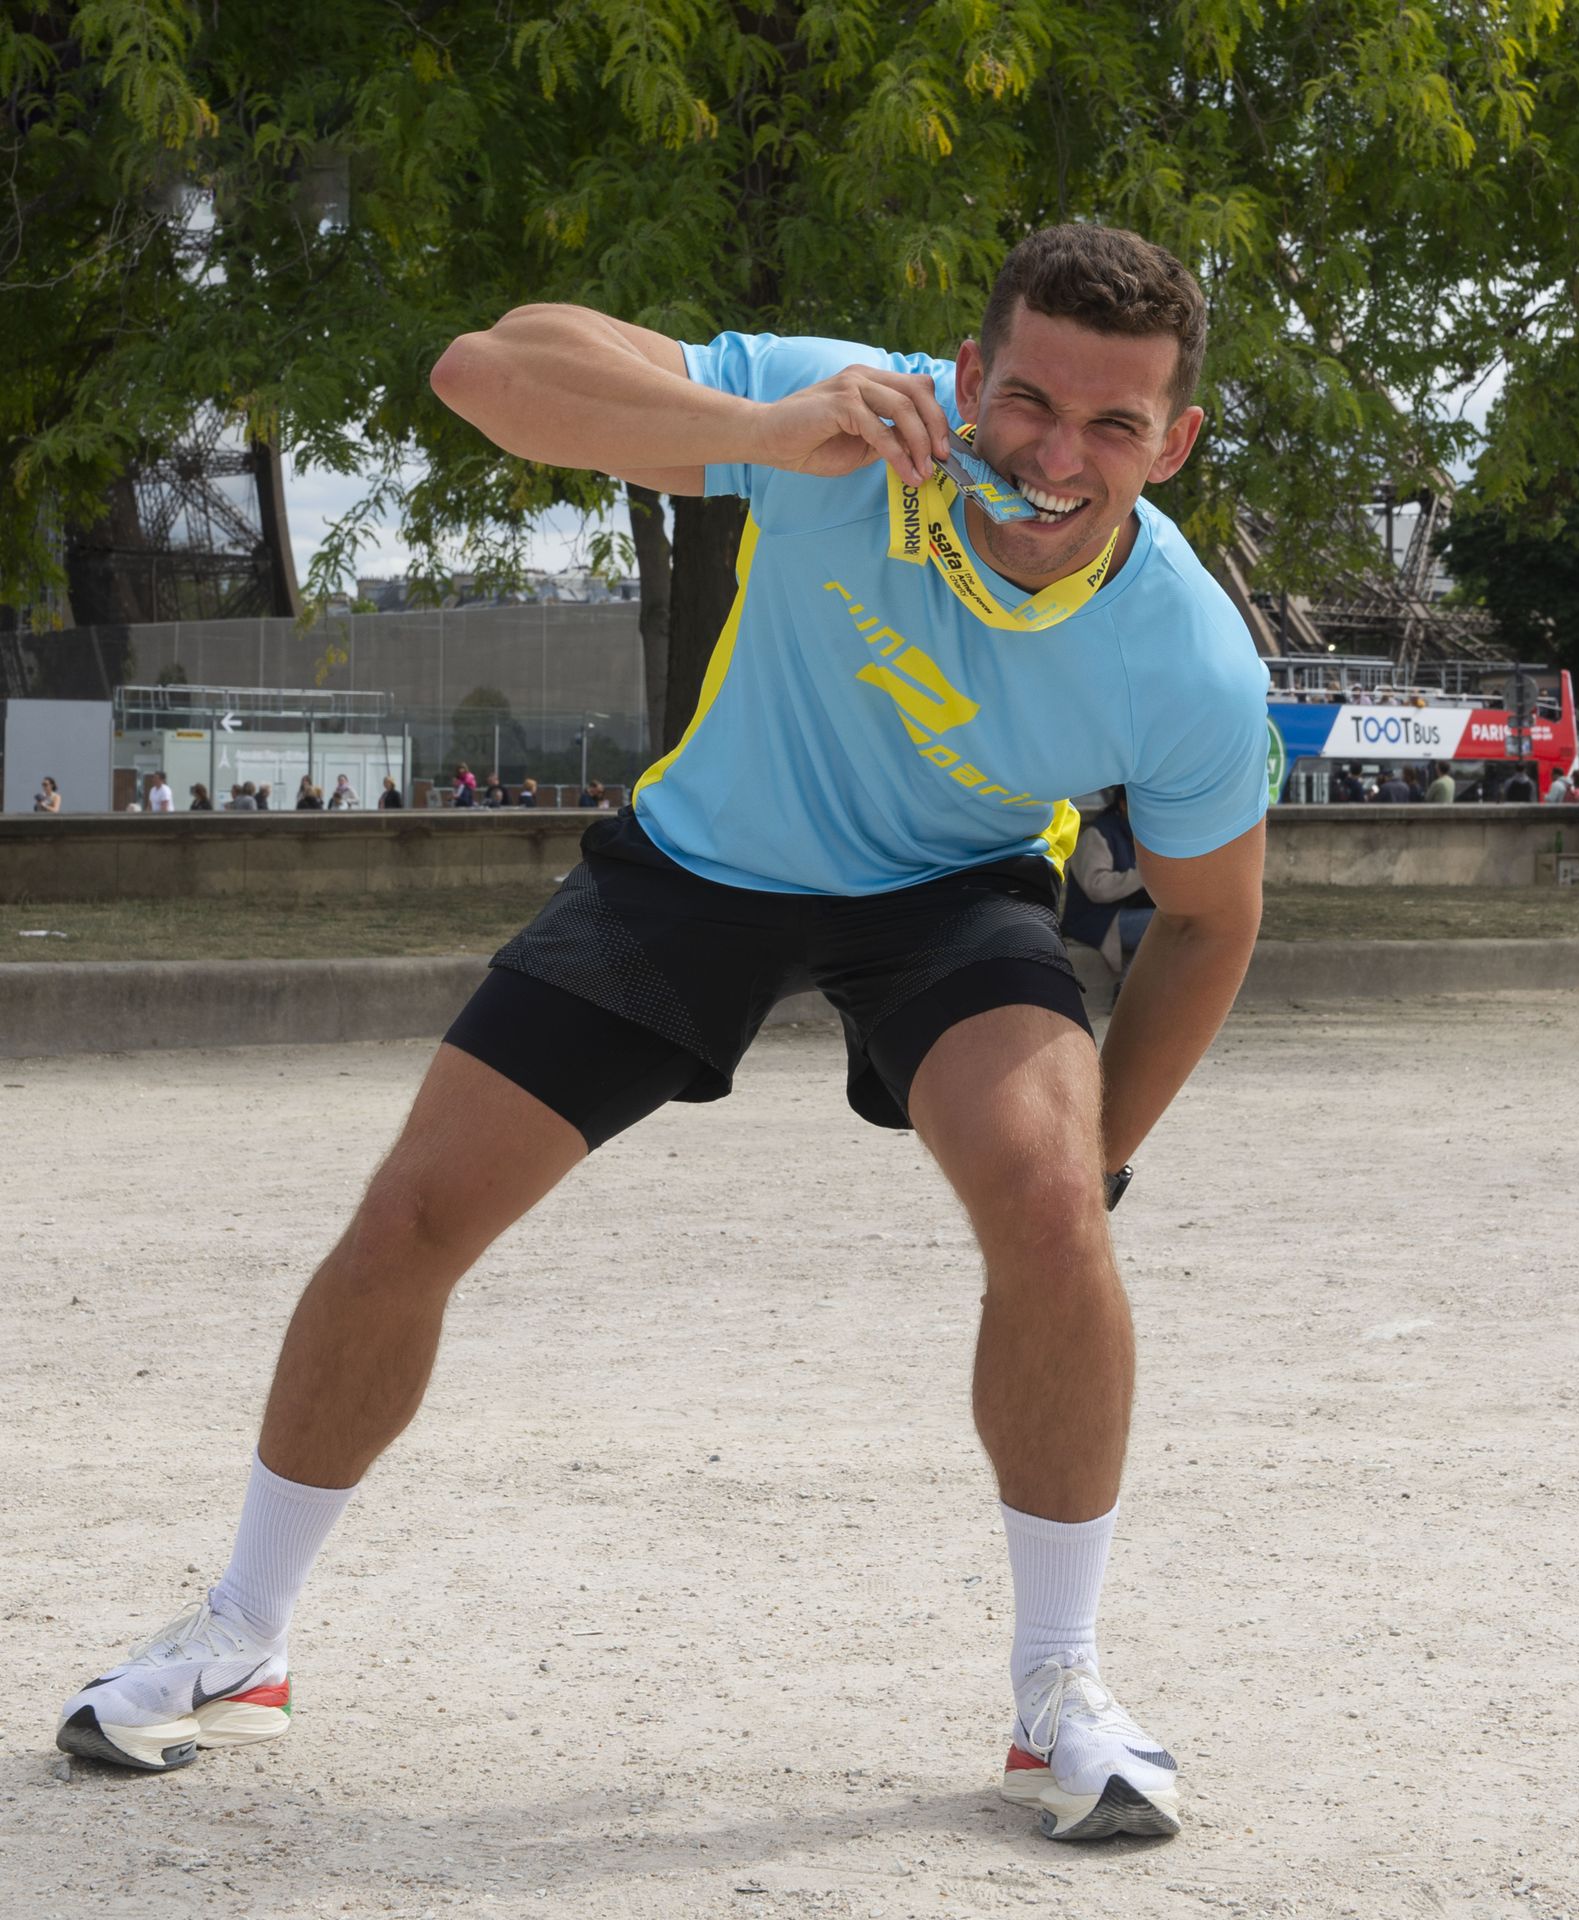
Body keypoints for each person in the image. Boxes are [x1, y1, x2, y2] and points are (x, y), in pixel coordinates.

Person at [59, 222, 1271, 1845]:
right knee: (412, 1214)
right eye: (1029, 402)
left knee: (1056, 1215)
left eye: (1112, 424)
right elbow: (484, 372)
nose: (1057, 456)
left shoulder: (1187, 655)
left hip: (949, 893)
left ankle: (1061, 1686)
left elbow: (1207, 922)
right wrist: (761, 435)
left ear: (1170, 445)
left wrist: (1102, 1164)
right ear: (966, 375)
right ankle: (242, 1633)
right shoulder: (846, 416)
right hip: (701, 865)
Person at [1058, 790, 1154, 993]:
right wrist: (1145, 874)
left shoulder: (1145, 835)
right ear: (1123, 805)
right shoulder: (1099, 834)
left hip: (1127, 913)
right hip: (1095, 920)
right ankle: (1128, 990)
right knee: (1157, 924)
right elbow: (1097, 888)